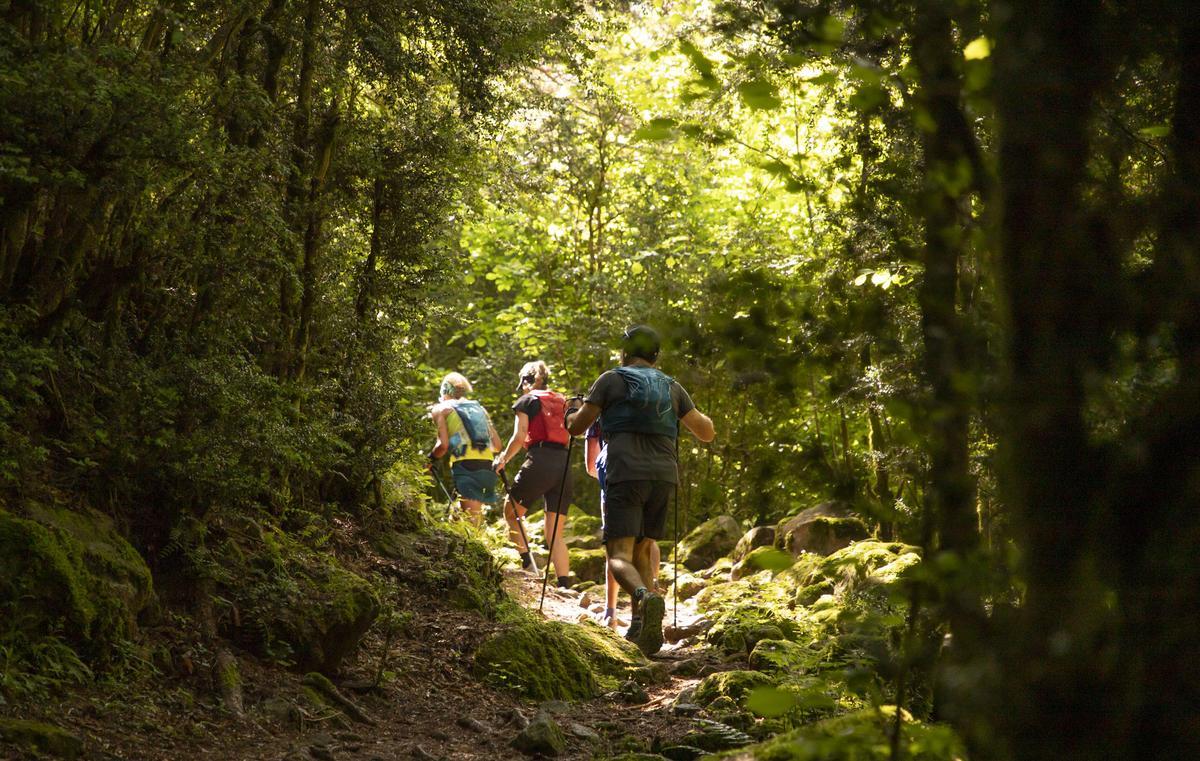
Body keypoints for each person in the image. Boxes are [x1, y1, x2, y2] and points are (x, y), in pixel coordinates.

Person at [567, 325, 714, 655]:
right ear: (656, 355)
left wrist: (571, 412)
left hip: (625, 470)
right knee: (645, 549)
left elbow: (578, 427)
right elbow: (706, 432)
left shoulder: (610, 379)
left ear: (625, 352)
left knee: (619, 555)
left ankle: (646, 597)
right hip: (664, 474)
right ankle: (642, 630)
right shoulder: (672, 386)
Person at [494, 361, 574, 587]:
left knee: (511, 513)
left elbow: (519, 437)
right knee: (555, 534)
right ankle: (565, 585)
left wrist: (502, 459)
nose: (522, 390)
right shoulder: (563, 400)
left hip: (540, 461)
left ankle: (528, 566)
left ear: (526, 382)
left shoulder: (527, 400)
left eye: (522, 385)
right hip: (564, 464)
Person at [585, 419, 660, 629]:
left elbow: (591, 466)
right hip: (654, 474)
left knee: (616, 548)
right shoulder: (647, 405)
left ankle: (611, 612)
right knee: (646, 542)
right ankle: (652, 594)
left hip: (615, 481)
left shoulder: (598, 416)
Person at [429, 373, 503, 527]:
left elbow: (442, 446)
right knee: (464, 517)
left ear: (443, 392)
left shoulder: (441, 409)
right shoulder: (479, 408)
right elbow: (497, 445)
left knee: (471, 523)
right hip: (487, 464)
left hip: (465, 464)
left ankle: (477, 548)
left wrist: (429, 460)